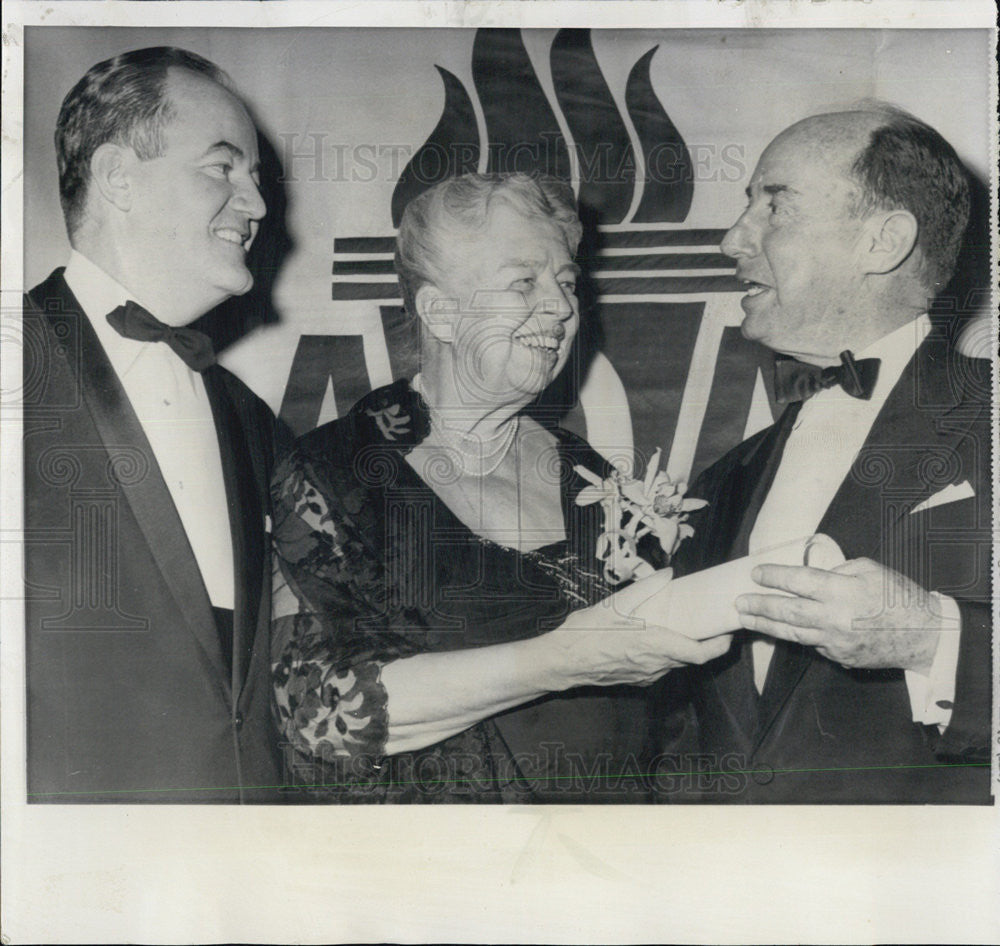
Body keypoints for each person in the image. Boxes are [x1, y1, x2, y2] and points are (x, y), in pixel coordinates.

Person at [271, 173, 730, 803]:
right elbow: (318, 713)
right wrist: (559, 659)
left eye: (567, 283)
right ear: (440, 312)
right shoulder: (336, 473)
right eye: (524, 283)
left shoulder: (589, 474)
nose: (563, 308)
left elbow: (670, 721)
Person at [656, 103, 992, 803]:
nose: (731, 239)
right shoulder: (726, 477)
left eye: (774, 207)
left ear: (884, 241)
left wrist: (934, 640)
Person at [23, 47, 284, 802]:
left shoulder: (249, 417)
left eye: (257, 178)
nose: (257, 205)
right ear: (117, 179)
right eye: (223, 168)